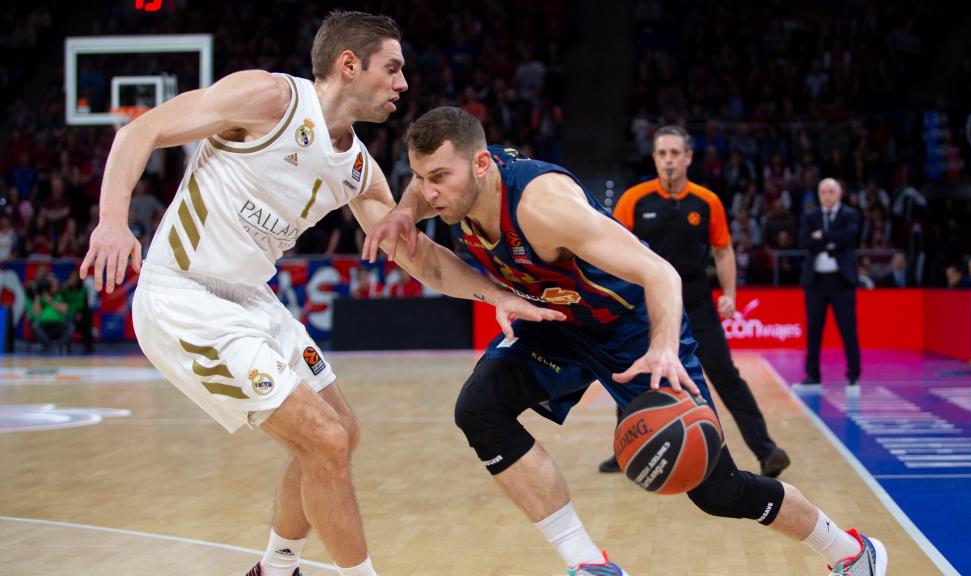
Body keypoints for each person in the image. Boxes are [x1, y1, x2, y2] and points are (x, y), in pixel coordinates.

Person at [78, 13, 561, 576]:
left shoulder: (358, 169)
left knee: (341, 433)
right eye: (393, 68)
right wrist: (112, 221)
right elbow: (139, 130)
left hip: (251, 299)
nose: (403, 84)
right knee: (326, 440)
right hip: (184, 298)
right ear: (348, 65)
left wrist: (495, 294)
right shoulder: (269, 99)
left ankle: (275, 567)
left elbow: (422, 259)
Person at [367, 107, 887, 576]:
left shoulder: (545, 207)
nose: (429, 192)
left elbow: (661, 273)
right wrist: (405, 212)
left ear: (482, 164)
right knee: (478, 408)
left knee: (717, 489)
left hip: (632, 327)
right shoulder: (453, 188)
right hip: (557, 321)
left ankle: (849, 551)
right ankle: (589, 565)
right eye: (421, 179)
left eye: (439, 179)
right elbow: (427, 218)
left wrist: (662, 346)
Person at [599, 125, 789, 479]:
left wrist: (730, 293)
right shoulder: (634, 199)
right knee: (634, 374)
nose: (668, 160)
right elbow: (614, 248)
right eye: (662, 154)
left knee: (724, 374)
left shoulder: (707, 201)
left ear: (688, 157)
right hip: (646, 302)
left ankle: (766, 450)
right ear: (654, 158)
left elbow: (723, 249)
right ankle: (624, 451)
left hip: (696, 299)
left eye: (675, 153)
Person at [798, 178, 862, 389]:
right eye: (823, 192)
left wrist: (823, 236)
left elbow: (850, 237)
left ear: (839, 193)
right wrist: (833, 240)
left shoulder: (849, 214)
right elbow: (804, 241)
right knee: (814, 329)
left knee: (847, 328)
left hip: (841, 281)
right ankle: (812, 374)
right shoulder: (810, 215)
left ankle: (853, 374)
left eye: (831, 191)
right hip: (816, 281)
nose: (827, 195)